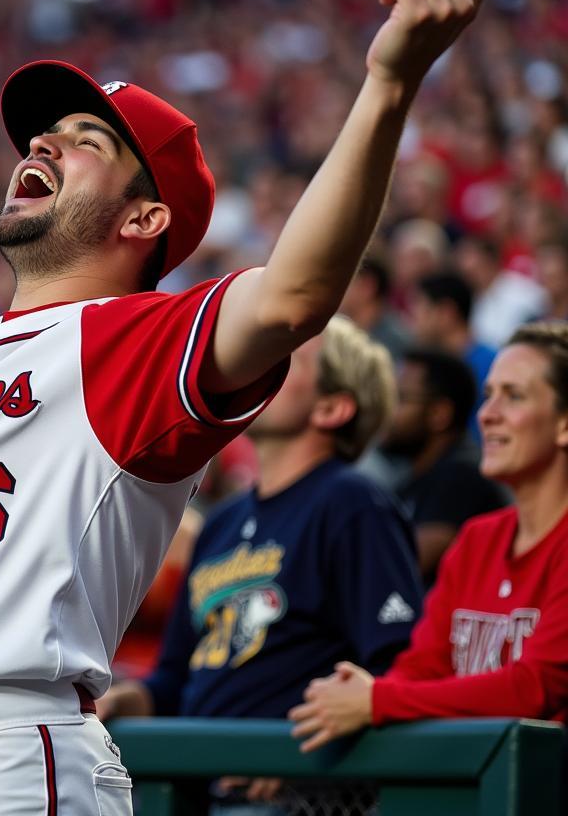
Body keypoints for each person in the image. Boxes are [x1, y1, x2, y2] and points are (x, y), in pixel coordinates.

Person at [0, 0, 501, 814]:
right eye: (45, 135)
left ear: (144, 222)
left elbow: (297, 294)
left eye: (85, 141)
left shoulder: (136, 341)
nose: (44, 145)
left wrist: (388, 80)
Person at [96, 316, 423, 813]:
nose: (264, 365)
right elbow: (175, 678)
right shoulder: (223, 521)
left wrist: (297, 755)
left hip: (294, 794)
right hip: (193, 782)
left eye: (290, 358)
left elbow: (393, 663)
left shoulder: (353, 504)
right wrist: (128, 699)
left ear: (332, 407)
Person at [290, 321, 568, 753]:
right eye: (488, 394)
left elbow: (534, 689)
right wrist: (347, 705)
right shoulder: (478, 539)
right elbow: (422, 665)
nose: (487, 414)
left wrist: (378, 700)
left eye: (513, 396)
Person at [380, 347, 506, 584]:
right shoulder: (412, 481)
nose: (387, 411)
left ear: (440, 413)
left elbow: (398, 568)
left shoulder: (460, 478)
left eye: (400, 398)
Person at [408, 271, 496, 417]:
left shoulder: (492, 365)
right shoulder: (427, 364)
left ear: (446, 313)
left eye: (420, 309)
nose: (412, 320)